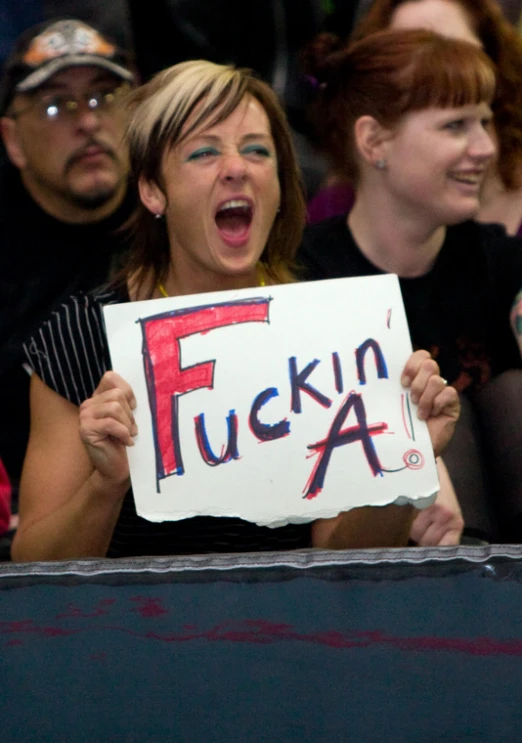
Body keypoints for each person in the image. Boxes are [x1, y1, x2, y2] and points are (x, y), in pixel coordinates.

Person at [11, 59, 459, 561]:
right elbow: (34, 569)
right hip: (133, 629)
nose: (236, 168)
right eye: (204, 152)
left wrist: (405, 463)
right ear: (153, 190)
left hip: (290, 626)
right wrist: (106, 484)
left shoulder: (333, 326)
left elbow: (345, 561)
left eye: (256, 151)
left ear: (280, 185)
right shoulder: (82, 336)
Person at [299, 28, 522, 541]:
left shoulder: (499, 260)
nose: (485, 147)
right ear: (374, 141)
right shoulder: (307, 278)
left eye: (485, 121)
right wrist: (414, 459)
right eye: (456, 126)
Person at [0, 18, 136, 489]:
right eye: (57, 105)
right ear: (12, 140)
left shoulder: (179, 215)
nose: (89, 121)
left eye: (105, 97)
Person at [307, 0, 522, 235]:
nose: (437, 69)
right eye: (407, 52)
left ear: (494, 60)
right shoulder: (337, 205)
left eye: (457, 51)